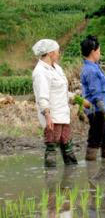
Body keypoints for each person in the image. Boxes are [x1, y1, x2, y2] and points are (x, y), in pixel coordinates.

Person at [32, 39, 78, 167]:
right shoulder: (41, 72)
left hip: (63, 113)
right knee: (52, 147)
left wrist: (76, 98)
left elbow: (61, 91)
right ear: (51, 53)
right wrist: (47, 115)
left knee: (67, 145)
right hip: (52, 116)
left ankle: (70, 176)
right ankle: (50, 179)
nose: (59, 54)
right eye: (58, 52)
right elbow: (42, 96)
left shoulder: (57, 68)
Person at [80, 35, 105, 160]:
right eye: (99, 51)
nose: (100, 53)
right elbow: (96, 94)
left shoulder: (93, 66)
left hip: (101, 108)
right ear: (93, 52)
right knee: (95, 137)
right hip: (97, 109)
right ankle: (91, 165)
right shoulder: (91, 70)